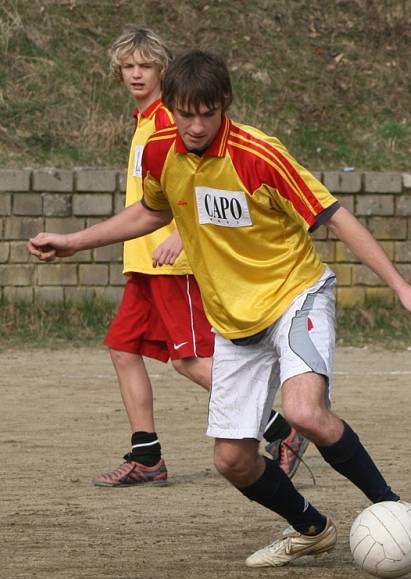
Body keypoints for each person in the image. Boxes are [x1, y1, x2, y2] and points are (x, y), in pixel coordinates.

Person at [29, 50, 411, 566]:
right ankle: (312, 529)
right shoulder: (161, 149)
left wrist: (402, 288)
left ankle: (396, 508)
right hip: (233, 320)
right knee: (231, 459)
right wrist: (75, 242)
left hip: (295, 294)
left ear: (224, 104)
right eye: (186, 113)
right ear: (172, 107)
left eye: (208, 112)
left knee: (302, 411)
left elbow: (335, 216)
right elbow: (151, 210)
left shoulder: (258, 154)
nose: (197, 125)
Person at [99, 28, 304, 488]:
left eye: (146, 66)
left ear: (163, 72)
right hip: (144, 262)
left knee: (190, 360)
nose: (136, 73)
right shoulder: (144, 122)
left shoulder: (174, 124)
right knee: (123, 348)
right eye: (128, 66)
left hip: (173, 263)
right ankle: (147, 454)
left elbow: (196, 186)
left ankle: (282, 430)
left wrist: (179, 235)